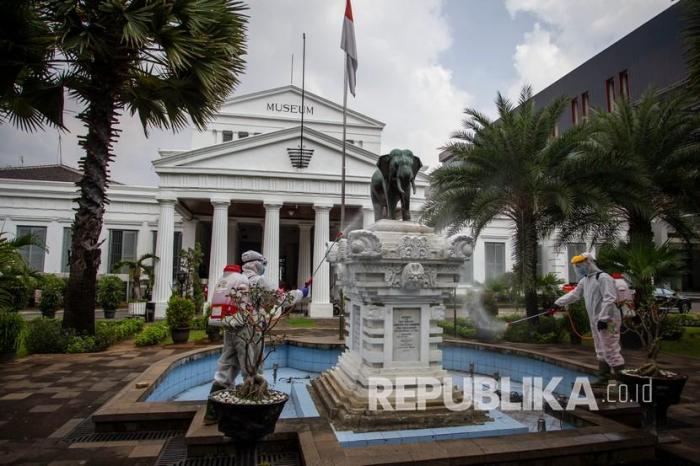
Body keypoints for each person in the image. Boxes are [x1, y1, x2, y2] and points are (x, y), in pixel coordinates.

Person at [204, 250, 311, 423]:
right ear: (257, 264)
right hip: (250, 330)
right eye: (263, 264)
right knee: (252, 370)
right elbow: (280, 299)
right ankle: (251, 417)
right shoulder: (258, 281)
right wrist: (301, 293)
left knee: (226, 368)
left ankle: (212, 414)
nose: (264, 267)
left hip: (231, 327)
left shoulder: (235, 279)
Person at [553, 252, 624, 384]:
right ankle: (604, 378)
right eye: (577, 266)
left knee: (611, 348)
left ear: (589, 263)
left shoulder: (603, 278)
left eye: (580, 265)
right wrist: (557, 303)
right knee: (600, 349)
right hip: (596, 321)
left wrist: (603, 318)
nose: (578, 268)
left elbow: (610, 298)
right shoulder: (585, 280)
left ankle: (622, 381)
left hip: (610, 321)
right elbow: (574, 295)